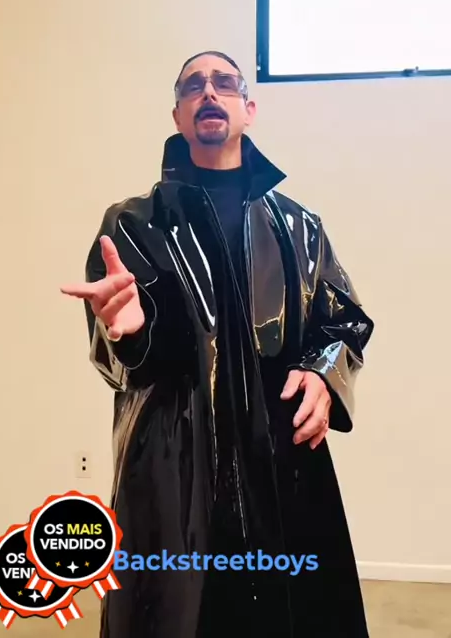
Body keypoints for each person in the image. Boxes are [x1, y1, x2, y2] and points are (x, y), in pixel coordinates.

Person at [61, 50, 374, 638]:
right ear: (178, 115)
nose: (209, 92)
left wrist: (323, 372)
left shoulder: (299, 227)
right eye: (194, 86)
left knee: (292, 613)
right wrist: (127, 329)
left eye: (224, 83)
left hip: (283, 460)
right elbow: (124, 361)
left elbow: (342, 323)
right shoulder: (132, 224)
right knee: (174, 615)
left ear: (248, 109)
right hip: (172, 465)